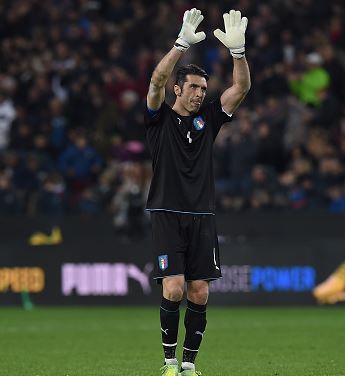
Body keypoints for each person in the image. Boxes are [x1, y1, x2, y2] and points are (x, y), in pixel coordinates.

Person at [144, 8, 251, 376]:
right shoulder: (158, 120)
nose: (199, 94)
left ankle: (189, 365)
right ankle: (169, 363)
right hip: (166, 213)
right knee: (173, 289)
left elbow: (241, 89)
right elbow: (156, 81)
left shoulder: (209, 120)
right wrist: (179, 46)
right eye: (192, 87)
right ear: (179, 89)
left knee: (200, 293)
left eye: (203, 89)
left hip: (202, 215)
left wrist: (238, 54)